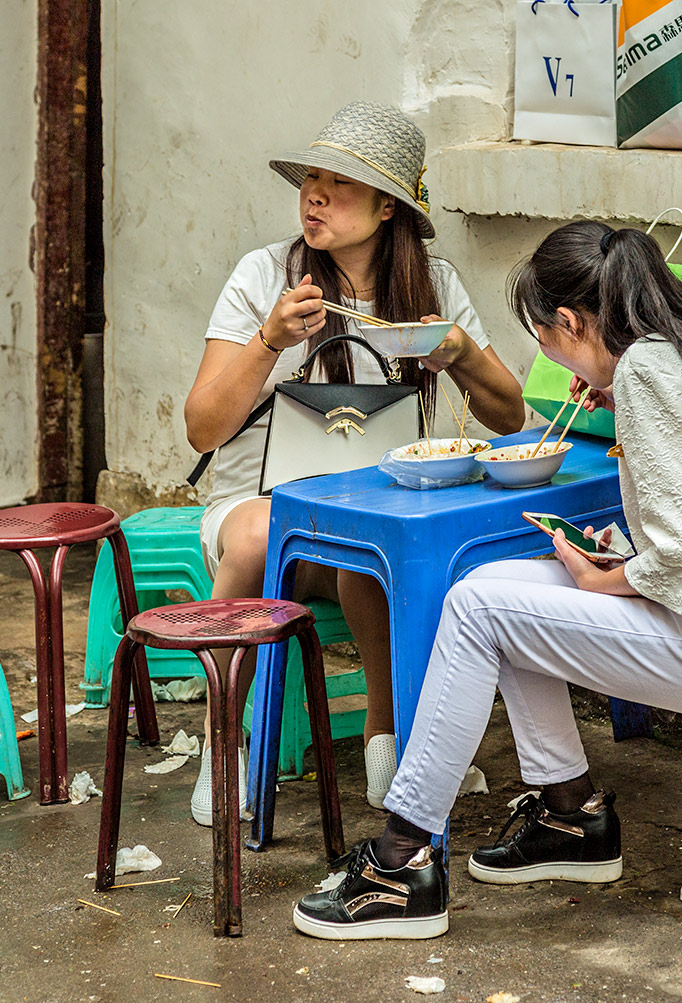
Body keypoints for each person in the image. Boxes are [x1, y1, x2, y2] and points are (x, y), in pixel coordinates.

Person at [291, 220, 682, 940]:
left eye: (547, 340)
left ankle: (400, 865)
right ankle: (571, 815)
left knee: (477, 607)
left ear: (571, 321)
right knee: (500, 586)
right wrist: (621, 415)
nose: (552, 358)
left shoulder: (650, 370)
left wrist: (606, 581)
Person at [183, 101, 525, 826]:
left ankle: (390, 744)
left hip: (380, 513)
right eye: (311, 176)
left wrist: (460, 353)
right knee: (253, 535)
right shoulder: (264, 277)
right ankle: (224, 743)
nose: (315, 194)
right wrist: (269, 341)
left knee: (375, 544)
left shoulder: (432, 286)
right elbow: (201, 426)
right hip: (266, 514)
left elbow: (510, 417)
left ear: (388, 207)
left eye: (340, 182)